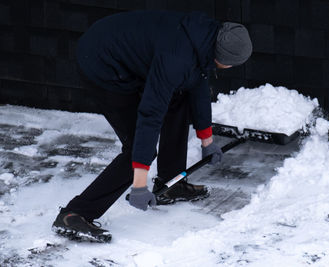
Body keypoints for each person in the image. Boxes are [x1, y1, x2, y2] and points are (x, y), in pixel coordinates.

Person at [51, 10, 252, 243]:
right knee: (136, 147)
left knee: (179, 99)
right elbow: (151, 114)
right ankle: (74, 213)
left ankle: (171, 184)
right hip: (103, 64)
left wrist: (207, 140)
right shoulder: (177, 59)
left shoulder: (206, 37)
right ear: (224, 60)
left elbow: (197, 83)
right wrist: (139, 183)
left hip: (125, 52)